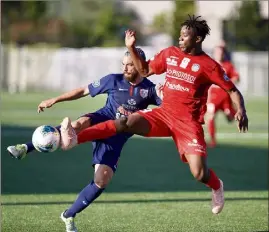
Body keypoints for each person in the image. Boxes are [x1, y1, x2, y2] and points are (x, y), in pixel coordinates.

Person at [60, 15, 249, 218]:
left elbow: (232, 90)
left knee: (199, 174)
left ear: (198, 39)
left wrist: (241, 110)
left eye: (186, 36)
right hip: (163, 114)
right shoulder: (170, 54)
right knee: (125, 122)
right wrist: (131, 48)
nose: (180, 39)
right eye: (180, 35)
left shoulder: (209, 65)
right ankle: (74, 138)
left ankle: (217, 186)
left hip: (188, 124)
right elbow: (145, 70)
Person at [7, 48, 164, 232]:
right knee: (77, 124)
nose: (125, 68)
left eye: (130, 65)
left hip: (115, 138)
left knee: (102, 180)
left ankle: (69, 215)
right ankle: (25, 148)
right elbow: (83, 90)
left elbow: (169, 110)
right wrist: (54, 100)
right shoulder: (113, 79)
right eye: (123, 64)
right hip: (100, 119)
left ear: (140, 65)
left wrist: (165, 97)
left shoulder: (150, 90)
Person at [206, 46, 240, 147]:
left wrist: (228, 84)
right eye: (217, 52)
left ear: (223, 54)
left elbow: (236, 77)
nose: (219, 54)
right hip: (213, 97)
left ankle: (232, 112)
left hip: (225, 97)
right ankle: (213, 141)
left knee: (229, 117)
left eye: (220, 52)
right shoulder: (209, 65)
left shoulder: (228, 66)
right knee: (210, 116)